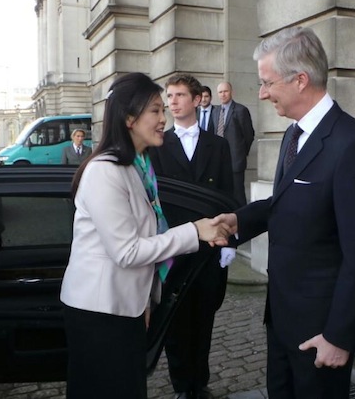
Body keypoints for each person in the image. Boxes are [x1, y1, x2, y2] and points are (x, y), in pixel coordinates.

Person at [212, 26, 355, 398]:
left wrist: (339, 337)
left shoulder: (353, 146)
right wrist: (240, 220)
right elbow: (288, 203)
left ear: (300, 80)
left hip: (321, 330)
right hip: (281, 318)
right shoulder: (294, 135)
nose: (261, 93)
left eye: (267, 83)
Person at [59, 72, 231, 399]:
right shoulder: (105, 171)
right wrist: (194, 231)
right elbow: (127, 251)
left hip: (127, 306)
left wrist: (147, 299)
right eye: (155, 111)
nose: (163, 119)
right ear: (129, 118)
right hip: (100, 312)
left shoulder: (139, 166)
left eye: (163, 110)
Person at [148, 74, 235, 399]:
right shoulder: (158, 146)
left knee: (204, 319)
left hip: (211, 250)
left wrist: (232, 243)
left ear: (197, 99)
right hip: (175, 249)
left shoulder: (219, 145)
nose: (172, 101)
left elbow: (229, 195)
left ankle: (200, 383)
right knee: (175, 323)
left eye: (180, 95)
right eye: (169, 95)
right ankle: (183, 387)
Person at [212, 81, 254, 205]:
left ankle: (242, 219)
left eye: (225, 91)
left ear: (231, 92)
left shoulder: (241, 110)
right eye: (220, 92)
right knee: (222, 192)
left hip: (236, 160)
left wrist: (241, 152)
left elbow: (249, 135)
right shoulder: (215, 111)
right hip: (219, 159)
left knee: (238, 193)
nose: (223, 94)